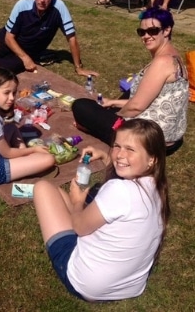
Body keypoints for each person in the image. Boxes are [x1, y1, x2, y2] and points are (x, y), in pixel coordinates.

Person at [33, 118, 170, 302]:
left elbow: (80, 227)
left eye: (130, 149)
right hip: (131, 287)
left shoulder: (119, 190)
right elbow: (125, 175)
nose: (120, 155)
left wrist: (76, 203)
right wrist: (107, 158)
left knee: (44, 188)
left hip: (87, 284)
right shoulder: (158, 189)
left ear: (151, 159)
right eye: (116, 146)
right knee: (76, 200)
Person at [72, 8, 188, 155]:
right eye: (142, 32)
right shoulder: (174, 56)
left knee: (81, 106)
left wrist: (114, 116)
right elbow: (150, 99)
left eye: (152, 31)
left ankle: (95, 129)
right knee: (126, 94)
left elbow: (136, 107)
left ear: (166, 30)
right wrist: (113, 103)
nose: (146, 36)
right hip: (170, 136)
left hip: (151, 140)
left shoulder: (162, 62)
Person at [0, 0, 99, 76]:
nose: (42, 0)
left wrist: (78, 68)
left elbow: (71, 38)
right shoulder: (22, 5)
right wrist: (25, 58)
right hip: (4, 40)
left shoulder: (59, 7)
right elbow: (8, 38)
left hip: (24, 52)